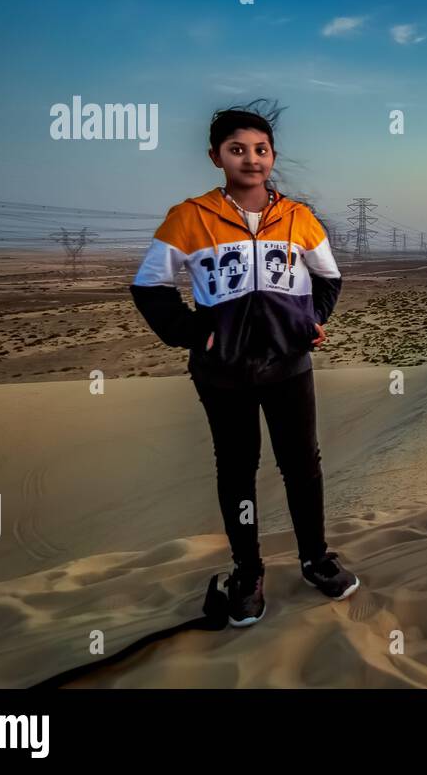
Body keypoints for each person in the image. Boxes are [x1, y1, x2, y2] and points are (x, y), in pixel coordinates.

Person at [130, 100, 358, 627]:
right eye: (238, 150)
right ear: (217, 156)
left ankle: (315, 558)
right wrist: (195, 333)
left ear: (272, 155)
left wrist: (312, 321)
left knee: (302, 464)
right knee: (237, 471)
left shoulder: (298, 217)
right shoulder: (188, 217)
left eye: (260, 149)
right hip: (223, 373)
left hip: (289, 366)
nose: (250, 159)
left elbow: (329, 278)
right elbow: (149, 286)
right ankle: (248, 572)